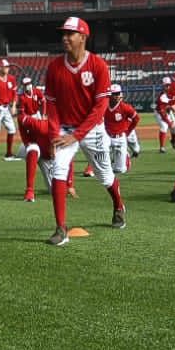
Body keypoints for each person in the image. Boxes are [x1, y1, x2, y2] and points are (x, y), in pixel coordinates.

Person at [42, 16, 125, 246]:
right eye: (64, 34)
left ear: (83, 37)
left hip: (92, 130)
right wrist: (54, 133)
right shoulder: (55, 67)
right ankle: (61, 229)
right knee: (57, 171)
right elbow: (51, 104)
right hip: (65, 129)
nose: (65, 38)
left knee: (104, 176)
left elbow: (100, 108)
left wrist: (77, 135)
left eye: (70, 34)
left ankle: (118, 205)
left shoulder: (98, 65)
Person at [102, 84, 139, 177]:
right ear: (109, 95)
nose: (117, 95)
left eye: (118, 93)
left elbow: (136, 119)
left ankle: (125, 156)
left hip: (120, 138)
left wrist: (128, 132)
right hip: (107, 137)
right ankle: (90, 169)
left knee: (120, 170)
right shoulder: (103, 106)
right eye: (114, 94)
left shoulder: (125, 107)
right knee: (99, 156)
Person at [155, 75, 175, 152]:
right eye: (166, 85)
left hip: (169, 111)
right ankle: (162, 147)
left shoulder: (174, 91)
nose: (168, 87)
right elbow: (163, 114)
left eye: (169, 85)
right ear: (163, 86)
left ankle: (172, 140)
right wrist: (169, 123)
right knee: (164, 126)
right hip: (160, 113)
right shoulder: (161, 97)